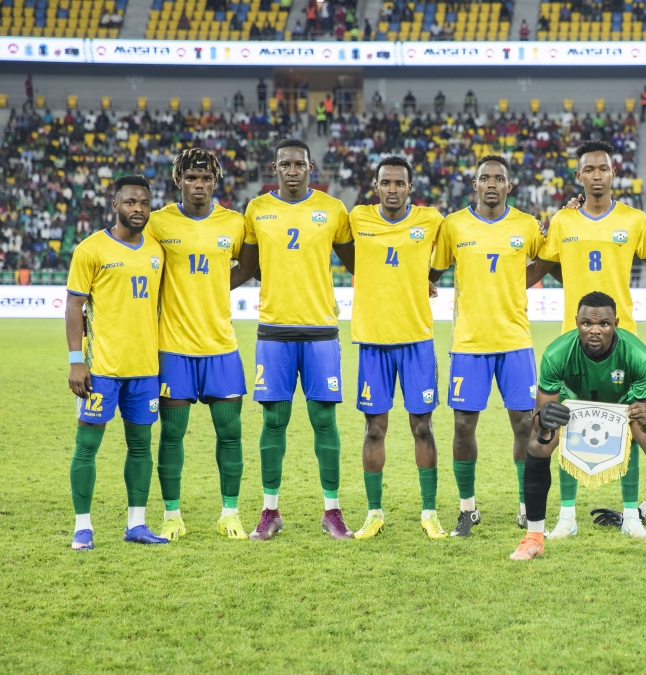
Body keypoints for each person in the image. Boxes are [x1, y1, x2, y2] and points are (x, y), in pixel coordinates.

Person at [527, 141, 646, 538]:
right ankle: (566, 519)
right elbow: (542, 266)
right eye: (588, 169)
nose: (596, 175)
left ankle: (630, 518)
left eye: (602, 169)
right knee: (563, 426)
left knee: (633, 427)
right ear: (579, 176)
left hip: (623, 342)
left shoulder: (635, 220)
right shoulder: (562, 221)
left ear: (613, 173)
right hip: (570, 343)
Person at [236, 140, 356, 541]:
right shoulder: (256, 209)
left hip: (321, 330)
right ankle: (270, 511)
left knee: (324, 419)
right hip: (274, 330)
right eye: (284, 164)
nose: (291, 169)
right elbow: (249, 267)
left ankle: (333, 511)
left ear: (310, 167)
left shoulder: (333, 210)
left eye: (298, 164)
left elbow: (360, 263)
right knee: (274, 420)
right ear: (274, 167)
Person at [510, 291, 646, 563]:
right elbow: (538, 419)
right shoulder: (557, 353)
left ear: (615, 323)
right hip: (574, 409)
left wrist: (645, 418)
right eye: (586, 324)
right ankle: (533, 538)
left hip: (623, 408)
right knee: (538, 444)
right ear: (576, 322)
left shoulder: (636, 354)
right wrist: (543, 421)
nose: (595, 330)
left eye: (603, 324)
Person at [428, 156, 542, 536]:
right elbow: (433, 270)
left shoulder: (526, 226)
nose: (491, 183)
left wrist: (515, 282)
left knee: (525, 423)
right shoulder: (454, 225)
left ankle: (527, 506)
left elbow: (551, 260)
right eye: (484, 178)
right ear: (474, 185)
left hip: (515, 341)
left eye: (499, 178)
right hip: (469, 342)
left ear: (510, 185)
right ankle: (467, 508)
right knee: (463, 425)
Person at [147, 149, 251, 541]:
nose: (199, 185)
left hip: (221, 346)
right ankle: (172, 515)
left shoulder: (234, 223)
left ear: (216, 181)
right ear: (179, 180)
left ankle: (230, 513)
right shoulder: (157, 223)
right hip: (173, 347)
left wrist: (214, 287)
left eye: (206, 178)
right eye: (191, 177)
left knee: (230, 434)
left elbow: (250, 266)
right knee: (171, 436)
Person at [64, 175, 168, 549]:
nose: (138, 209)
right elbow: (74, 304)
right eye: (130, 202)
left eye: (144, 203)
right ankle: (82, 526)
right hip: (102, 369)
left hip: (144, 370)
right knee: (86, 447)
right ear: (115, 204)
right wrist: (77, 361)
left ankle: (136, 525)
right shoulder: (91, 249)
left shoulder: (157, 250)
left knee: (141, 448)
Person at [348, 156, 446, 540]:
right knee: (375, 428)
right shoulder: (357, 218)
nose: (392, 189)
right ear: (376, 187)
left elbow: (454, 248)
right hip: (372, 341)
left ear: (410, 188)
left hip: (417, 341)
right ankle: (374, 513)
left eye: (399, 183)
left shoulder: (431, 220)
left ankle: (430, 512)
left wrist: (426, 278)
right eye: (385, 183)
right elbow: (340, 248)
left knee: (422, 427)